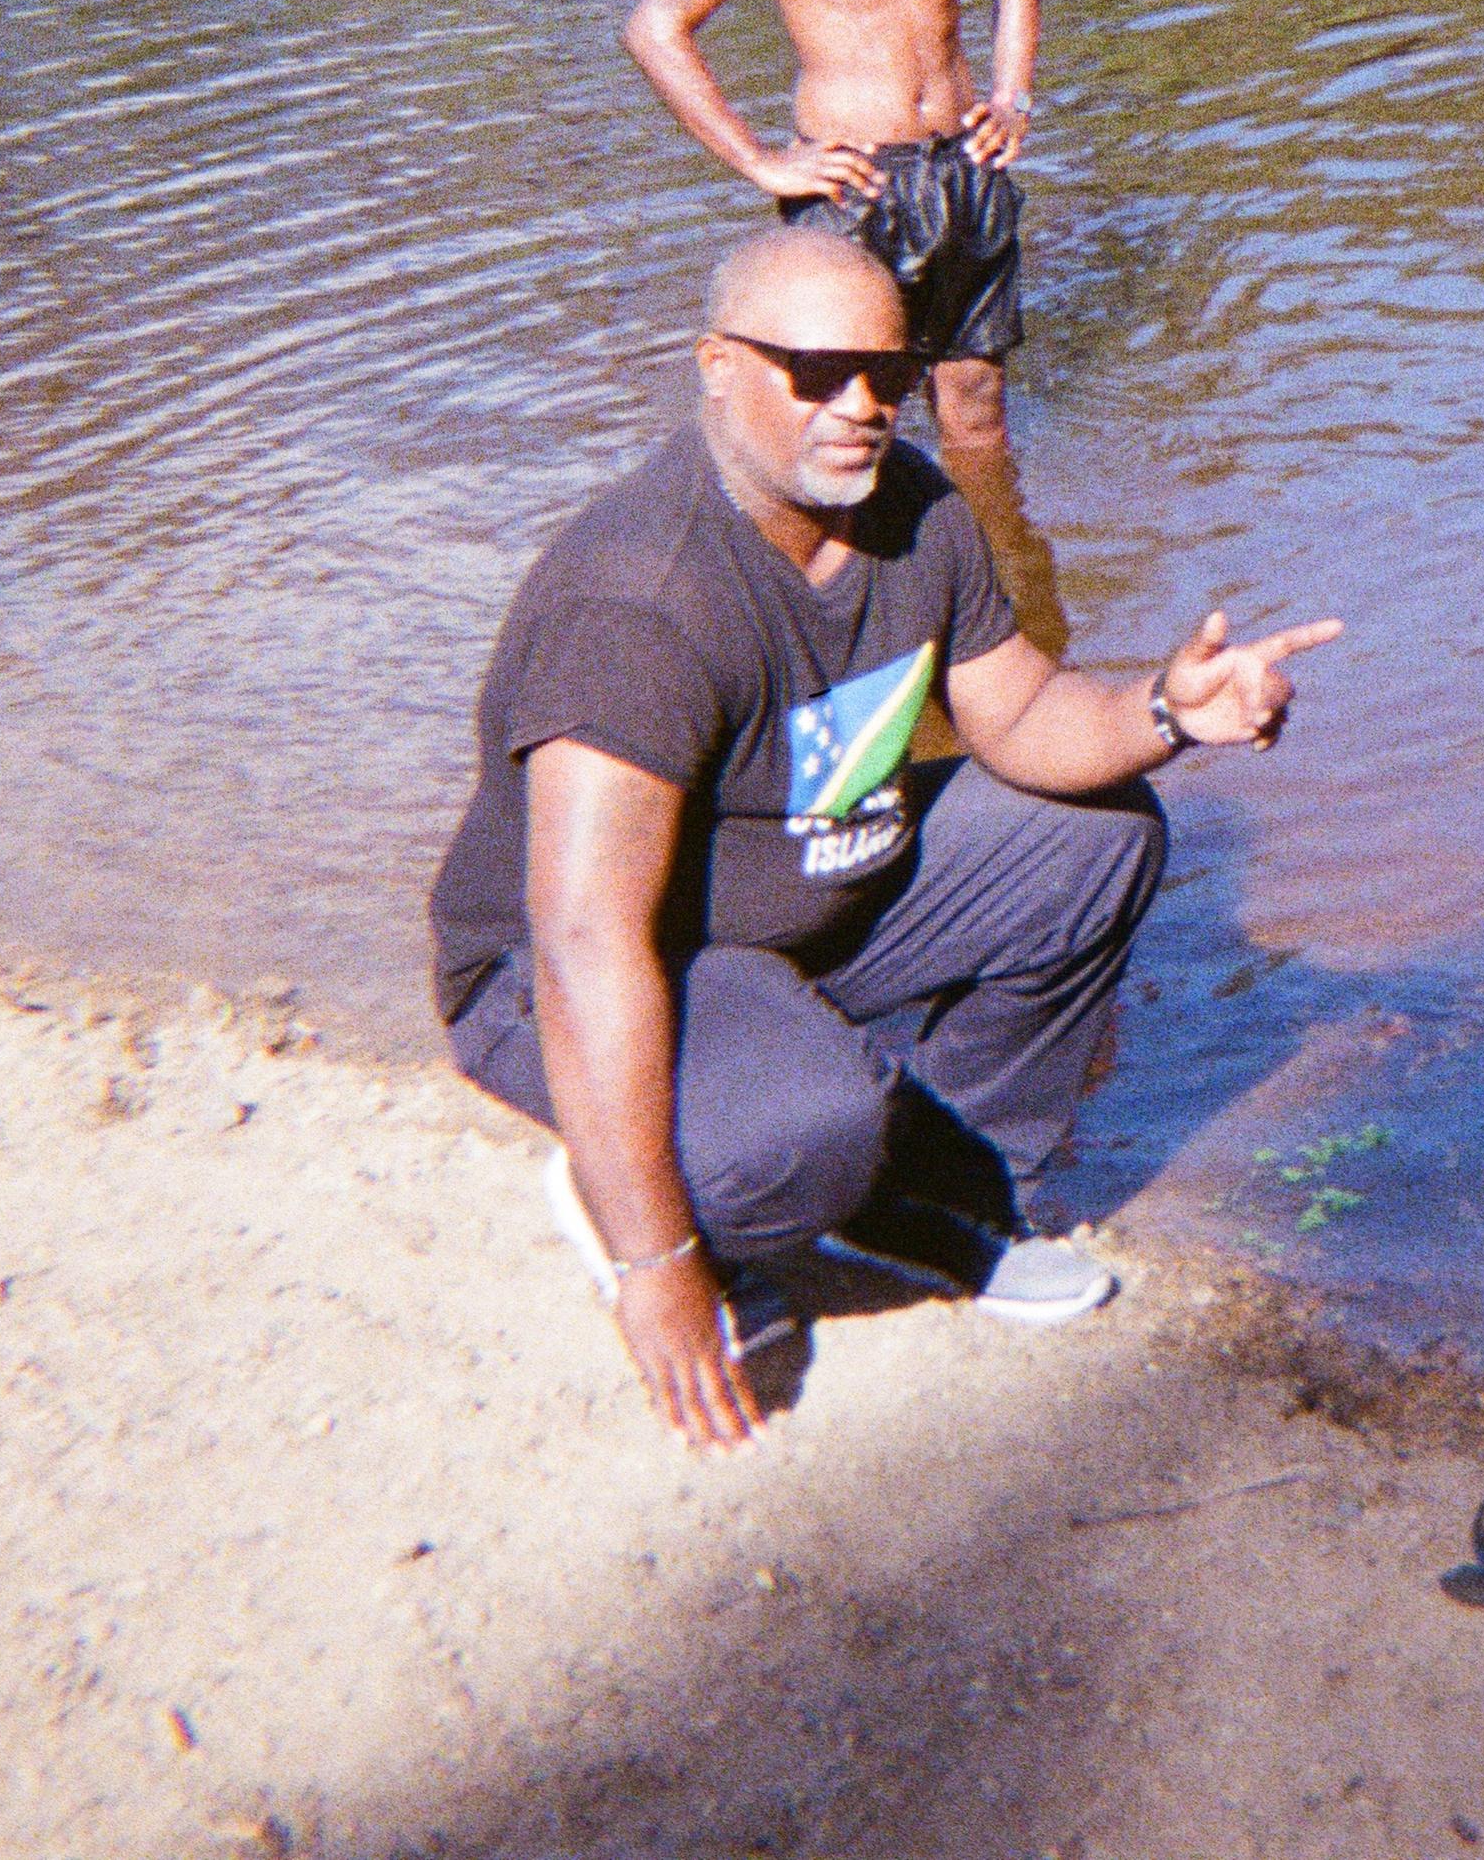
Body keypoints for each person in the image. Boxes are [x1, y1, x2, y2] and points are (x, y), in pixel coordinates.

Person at [425, 227, 1340, 1453]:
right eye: (815, 369)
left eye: (890, 371)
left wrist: (1165, 712)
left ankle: (941, 1203)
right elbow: (584, 941)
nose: (860, 406)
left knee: (1089, 836)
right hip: (579, 980)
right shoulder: (639, 601)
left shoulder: (911, 507)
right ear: (714, 364)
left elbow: (1015, 715)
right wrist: (656, 1265)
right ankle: (649, 1186)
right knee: (803, 1129)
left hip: (799, 909)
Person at [625, 0, 1054, 637]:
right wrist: (756, 160)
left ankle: (994, 605)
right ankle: (852, 619)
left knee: (977, 412)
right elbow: (656, 23)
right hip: (850, 190)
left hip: (964, 174)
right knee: (851, 421)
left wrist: (1012, 93)